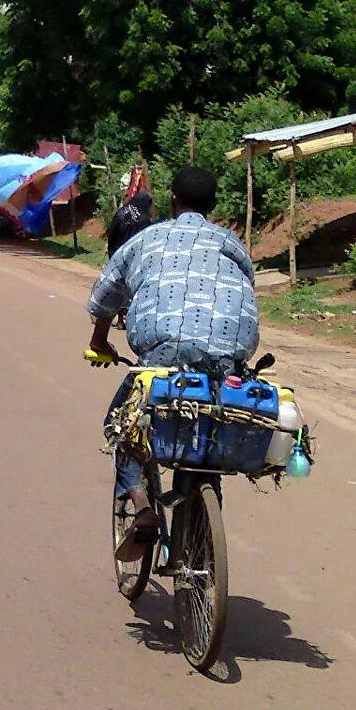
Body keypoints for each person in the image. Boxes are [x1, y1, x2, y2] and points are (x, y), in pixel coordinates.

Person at [87, 166, 260, 562]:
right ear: (213, 206)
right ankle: (203, 524)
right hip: (230, 355)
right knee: (214, 418)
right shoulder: (231, 242)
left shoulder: (147, 238)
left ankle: (143, 508)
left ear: (171, 201)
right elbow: (245, 290)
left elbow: (103, 299)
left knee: (123, 422)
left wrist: (99, 342)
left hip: (163, 353)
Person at [105, 191, 156, 258]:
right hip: (127, 257)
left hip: (114, 251)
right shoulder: (143, 221)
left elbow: (112, 229)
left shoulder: (123, 209)